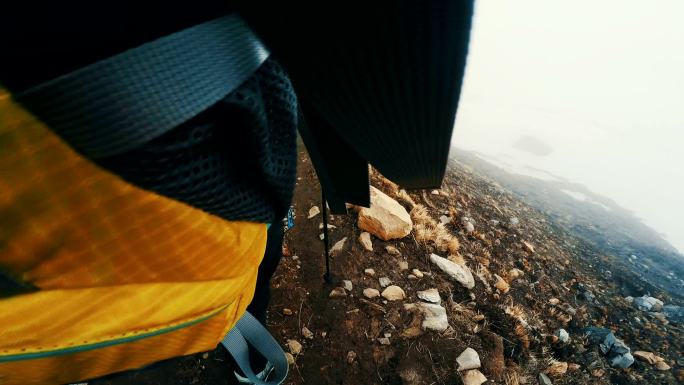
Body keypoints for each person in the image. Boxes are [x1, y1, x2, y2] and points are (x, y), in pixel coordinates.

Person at [0, 2, 473, 384]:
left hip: (46, 210)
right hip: (182, 161)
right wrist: (412, 168)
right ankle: (238, 331)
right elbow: (406, 69)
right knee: (236, 270)